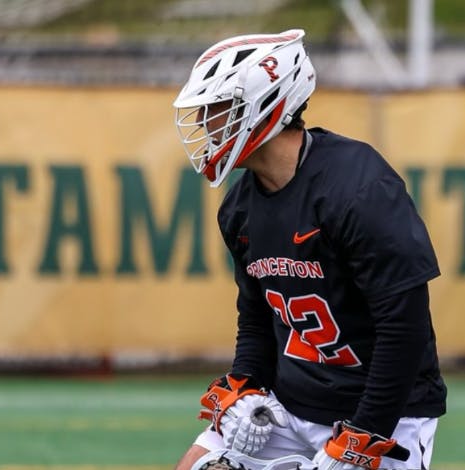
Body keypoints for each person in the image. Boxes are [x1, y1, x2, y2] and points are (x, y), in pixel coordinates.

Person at [172, 29, 446, 470]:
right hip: (291, 403)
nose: (205, 124)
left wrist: (366, 431)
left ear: (265, 106)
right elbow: (259, 315)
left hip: (385, 414)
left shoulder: (356, 186)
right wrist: (246, 383)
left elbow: (405, 325)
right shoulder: (240, 208)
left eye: (218, 109)